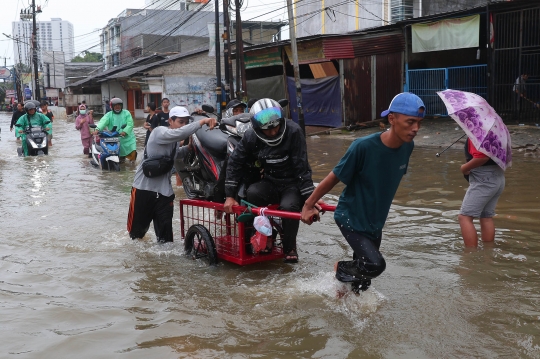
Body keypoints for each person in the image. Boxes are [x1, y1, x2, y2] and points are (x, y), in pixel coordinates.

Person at [301, 92, 425, 292]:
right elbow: (334, 177)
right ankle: (340, 268)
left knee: (362, 283)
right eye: (410, 122)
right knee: (375, 264)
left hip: (375, 222)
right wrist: (308, 204)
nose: (415, 129)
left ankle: (341, 299)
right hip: (352, 217)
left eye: (419, 123)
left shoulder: (407, 147)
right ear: (392, 119)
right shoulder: (363, 147)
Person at [223, 98, 315, 263]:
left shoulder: (294, 131)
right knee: (252, 193)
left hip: (291, 184)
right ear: (258, 129)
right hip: (270, 181)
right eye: (267, 130)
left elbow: (302, 167)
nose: (273, 133)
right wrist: (229, 195)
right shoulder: (251, 136)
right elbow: (235, 163)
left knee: (289, 207)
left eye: (276, 128)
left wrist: (311, 199)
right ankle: (267, 236)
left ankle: (290, 247)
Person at [127, 106, 217, 243]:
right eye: (181, 122)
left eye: (186, 122)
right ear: (170, 121)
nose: (184, 125)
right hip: (143, 191)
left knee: (166, 242)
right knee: (136, 238)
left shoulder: (174, 142)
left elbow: (174, 155)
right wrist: (202, 122)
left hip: (164, 194)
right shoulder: (159, 132)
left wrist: (188, 148)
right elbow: (180, 133)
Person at [458, 138, 505, 248]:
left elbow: (482, 157)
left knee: (464, 217)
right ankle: (488, 252)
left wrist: (464, 168)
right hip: (498, 176)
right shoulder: (494, 132)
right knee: (486, 216)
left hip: (483, 178)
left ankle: (470, 256)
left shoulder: (478, 131)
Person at [93, 97, 137, 162]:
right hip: (115, 137)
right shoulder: (109, 115)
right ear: (112, 106)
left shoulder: (126, 113)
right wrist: (97, 129)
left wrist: (125, 131)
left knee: (132, 153)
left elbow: (130, 124)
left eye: (119, 105)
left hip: (128, 138)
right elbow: (103, 122)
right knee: (119, 156)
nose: (117, 107)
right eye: (115, 106)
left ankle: (132, 167)